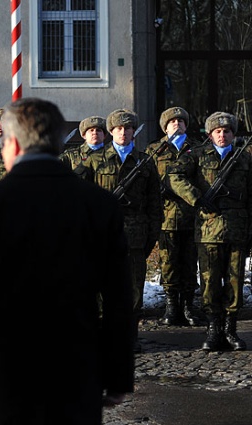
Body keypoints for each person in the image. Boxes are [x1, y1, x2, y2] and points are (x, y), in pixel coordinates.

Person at [0, 97, 134, 425]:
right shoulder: (99, 204)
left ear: (13, 143)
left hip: (8, 364)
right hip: (77, 362)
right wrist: (118, 374)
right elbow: (119, 298)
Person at [168, 112, 251, 352]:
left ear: (233, 134)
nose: (222, 135)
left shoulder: (244, 159)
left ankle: (231, 329)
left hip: (237, 229)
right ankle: (214, 329)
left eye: (227, 131)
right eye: (217, 131)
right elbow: (174, 176)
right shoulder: (197, 156)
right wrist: (196, 198)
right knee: (210, 281)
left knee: (234, 281)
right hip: (208, 231)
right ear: (210, 134)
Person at [84, 109, 163, 353]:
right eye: (118, 128)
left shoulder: (145, 162)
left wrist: (151, 234)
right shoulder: (94, 161)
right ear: (110, 132)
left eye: (127, 128)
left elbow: (154, 204)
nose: (123, 132)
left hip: (135, 235)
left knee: (132, 289)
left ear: (133, 132)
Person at [146, 106, 201, 327]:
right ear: (165, 127)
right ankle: (171, 305)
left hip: (192, 215)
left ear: (186, 125)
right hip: (166, 216)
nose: (176, 124)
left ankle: (188, 305)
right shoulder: (154, 151)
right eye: (172, 122)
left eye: (180, 121)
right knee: (168, 263)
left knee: (189, 262)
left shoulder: (198, 149)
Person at [59, 115, 107, 179]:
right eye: (91, 130)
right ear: (84, 135)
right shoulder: (70, 156)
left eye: (98, 130)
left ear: (104, 135)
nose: (95, 133)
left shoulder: (113, 155)